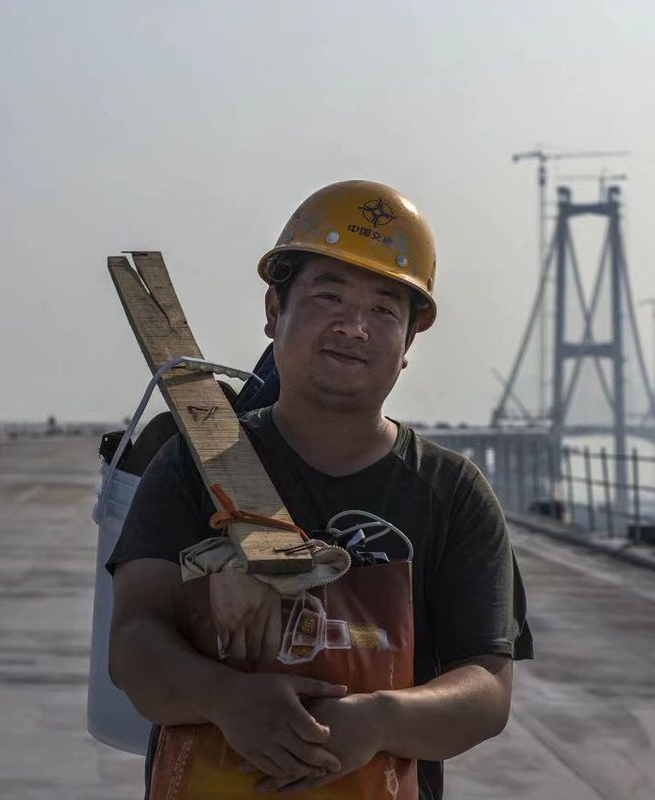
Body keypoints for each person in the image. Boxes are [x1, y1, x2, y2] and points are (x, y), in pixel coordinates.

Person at [107, 180, 534, 799]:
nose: (353, 327)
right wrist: (224, 698)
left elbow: (488, 690)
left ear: (409, 343)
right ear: (274, 312)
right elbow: (133, 644)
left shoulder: (451, 492)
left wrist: (380, 720)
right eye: (327, 296)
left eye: (384, 310)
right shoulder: (193, 464)